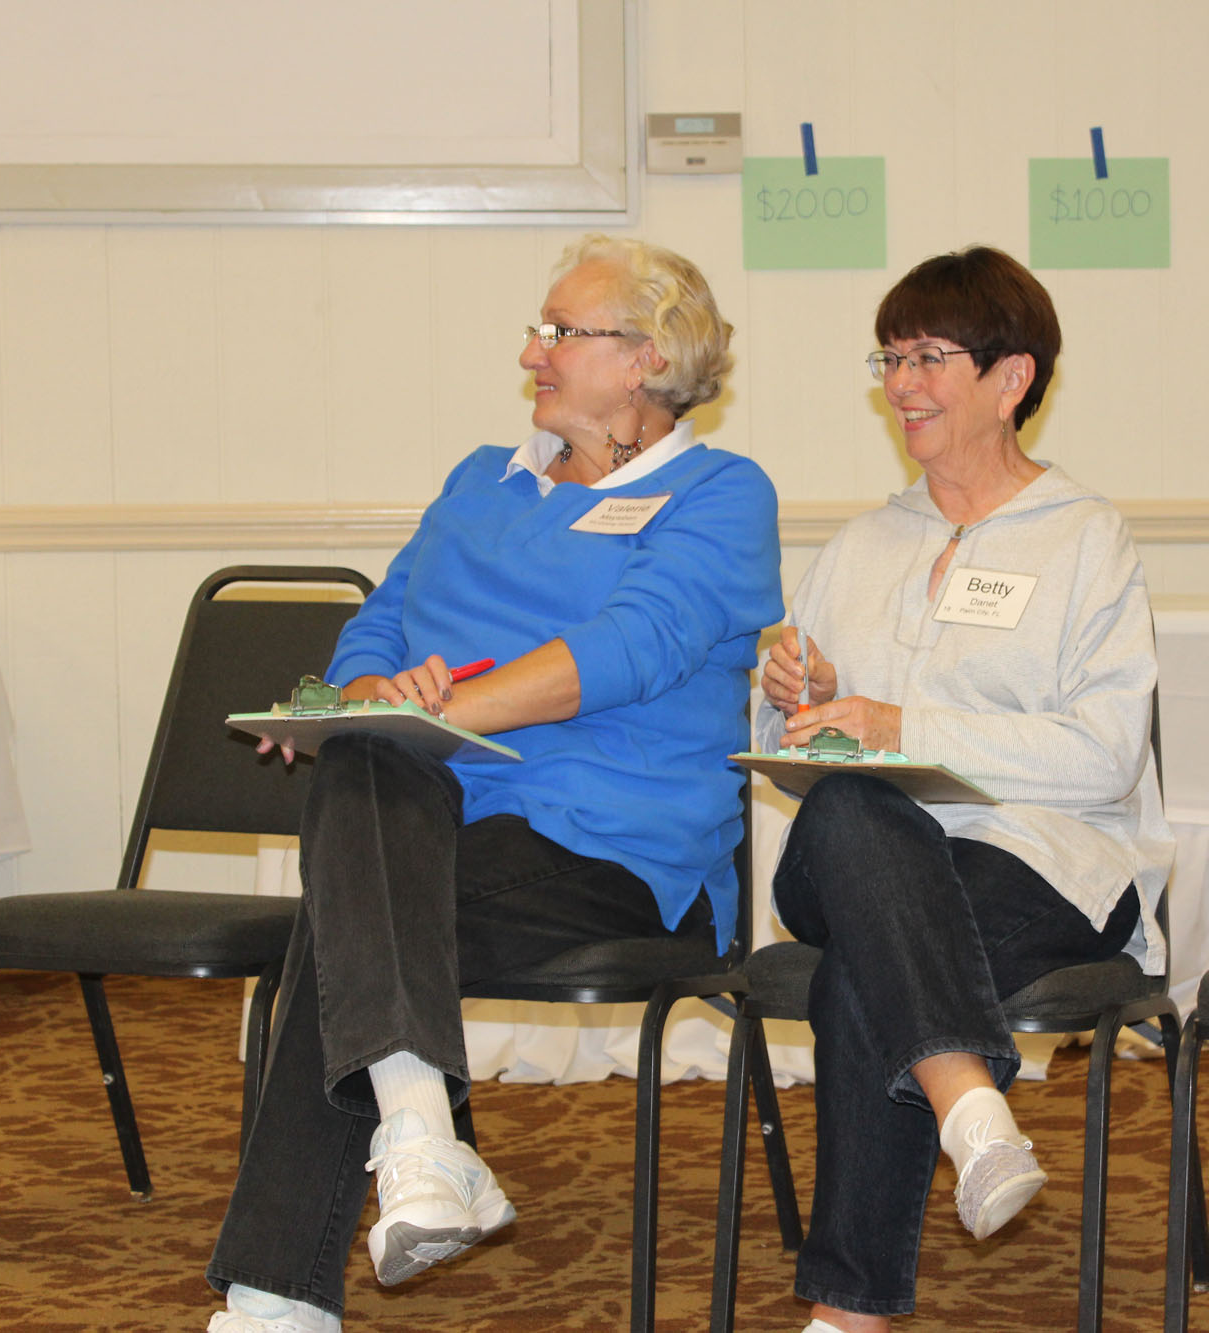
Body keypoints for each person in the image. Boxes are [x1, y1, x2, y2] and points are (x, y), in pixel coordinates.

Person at [203, 235, 783, 1332]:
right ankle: (422, 1138)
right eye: (538, 329)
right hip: (430, 823)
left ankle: (282, 1290)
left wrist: (427, 714)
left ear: (648, 358)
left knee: (345, 920)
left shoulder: (719, 493)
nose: (531, 352)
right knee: (367, 767)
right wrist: (369, 694)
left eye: (561, 332)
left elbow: (628, 648)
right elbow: (379, 623)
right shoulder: (482, 480)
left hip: (613, 852)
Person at [754, 246, 1172, 1333]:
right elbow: (789, 753)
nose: (901, 385)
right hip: (851, 853)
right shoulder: (860, 546)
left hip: (1044, 860)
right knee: (854, 808)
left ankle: (845, 1316)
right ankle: (971, 1103)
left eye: (929, 357)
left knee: (866, 966)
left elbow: (1104, 756)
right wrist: (797, 699)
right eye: (890, 359)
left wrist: (902, 727)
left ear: (1011, 378)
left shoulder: (1084, 539)